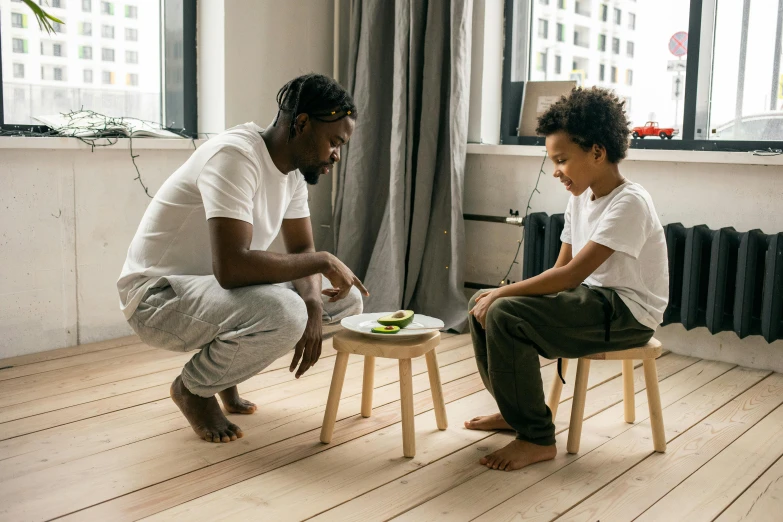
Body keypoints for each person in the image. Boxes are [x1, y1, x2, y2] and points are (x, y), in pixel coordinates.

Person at [117, 73, 368, 443]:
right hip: (156, 297)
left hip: (208, 293)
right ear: (301, 124)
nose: (337, 155)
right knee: (286, 311)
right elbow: (233, 268)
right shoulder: (236, 156)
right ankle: (193, 390)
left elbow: (301, 250)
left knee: (347, 301)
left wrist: (314, 302)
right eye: (334, 141)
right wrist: (324, 262)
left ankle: (224, 375)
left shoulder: (293, 173)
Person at [464, 87, 669, 471]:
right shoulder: (580, 197)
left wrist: (505, 294)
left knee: (504, 313)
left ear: (597, 151)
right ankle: (515, 412)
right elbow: (561, 271)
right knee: (481, 304)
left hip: (627, 315)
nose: (555, 171)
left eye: (561, 160)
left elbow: (573, 274)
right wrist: (498, 295)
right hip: (593, 300)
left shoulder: (630, 202)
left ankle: (537, 438)